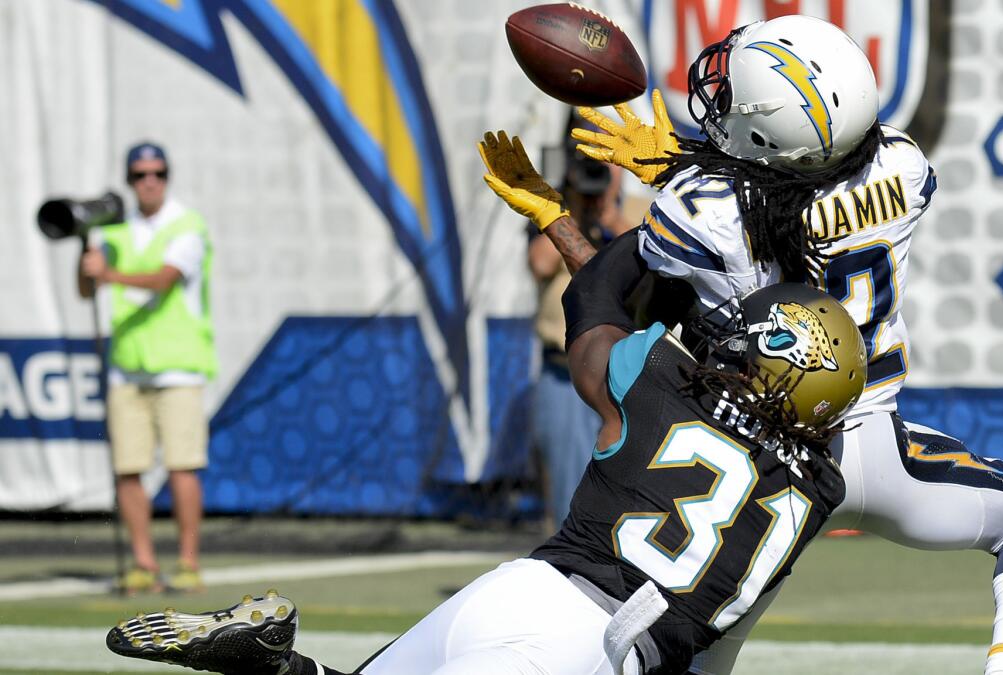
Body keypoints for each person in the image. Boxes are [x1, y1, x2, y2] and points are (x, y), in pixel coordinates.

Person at [105, 132, 868, 675]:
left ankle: (278, 662)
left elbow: (601, 298)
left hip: (521, 591)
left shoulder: (658, 380)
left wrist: (613, 221)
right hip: (596, 646)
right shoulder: (820, 485)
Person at [569, 16, 1003, 675]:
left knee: (695, 654)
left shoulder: (698, 208)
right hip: (876, 448)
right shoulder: (905, 168)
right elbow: (808, 193)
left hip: (755, 472)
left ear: (769, 134)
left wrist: (672, 172)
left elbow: (642, 284)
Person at [79, 141, 216, 594]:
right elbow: (86, 290)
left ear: (167, 175)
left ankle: (188, 562)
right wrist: (87, 257)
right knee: (128, 468)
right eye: (139, 174)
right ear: (130, 180)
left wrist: (108, 275)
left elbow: (164, 278)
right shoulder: (114, 231)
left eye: (157, 172)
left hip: (178, 367)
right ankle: (143, 563)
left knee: (182, 467)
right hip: (126, 367)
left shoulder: (187, 225)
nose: (149, 181)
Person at [530, 142, 633, 528]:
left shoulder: (635, 214)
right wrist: (565, 216)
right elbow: (540, 263)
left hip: (624, 376)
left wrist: (608, 214)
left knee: (627, 479)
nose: (595, 178)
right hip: (564, 372)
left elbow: (648, 259)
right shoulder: (554, 212)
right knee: (568, 486)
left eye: (603, 168)